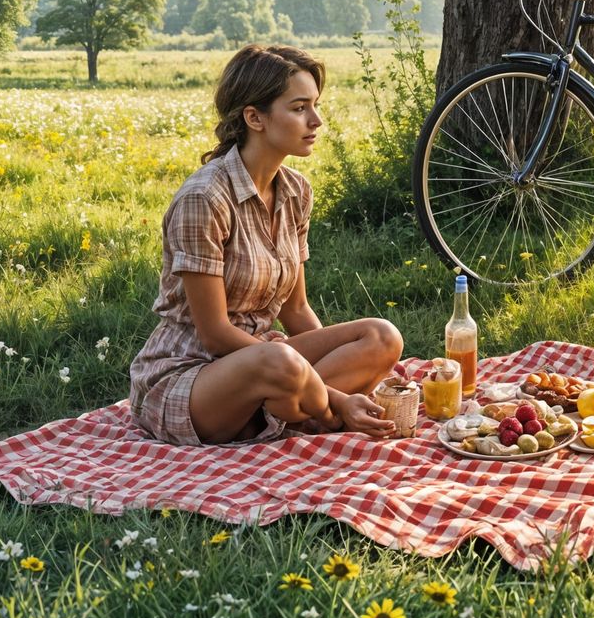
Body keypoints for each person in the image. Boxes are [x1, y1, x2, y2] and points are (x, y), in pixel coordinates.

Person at [129, 45, 404, 445]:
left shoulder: (295, 191)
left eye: (315, 105)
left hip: (271, 362)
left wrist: (311, 373)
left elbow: (295, 309)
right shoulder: (203, 199)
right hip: (191, 377)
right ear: (254, 117)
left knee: (382, 336)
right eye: (299, 108)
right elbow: (216, 334)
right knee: (280, 360)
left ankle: (288, 409)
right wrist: (336, 394)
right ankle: (317, 410)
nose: (317, 120)